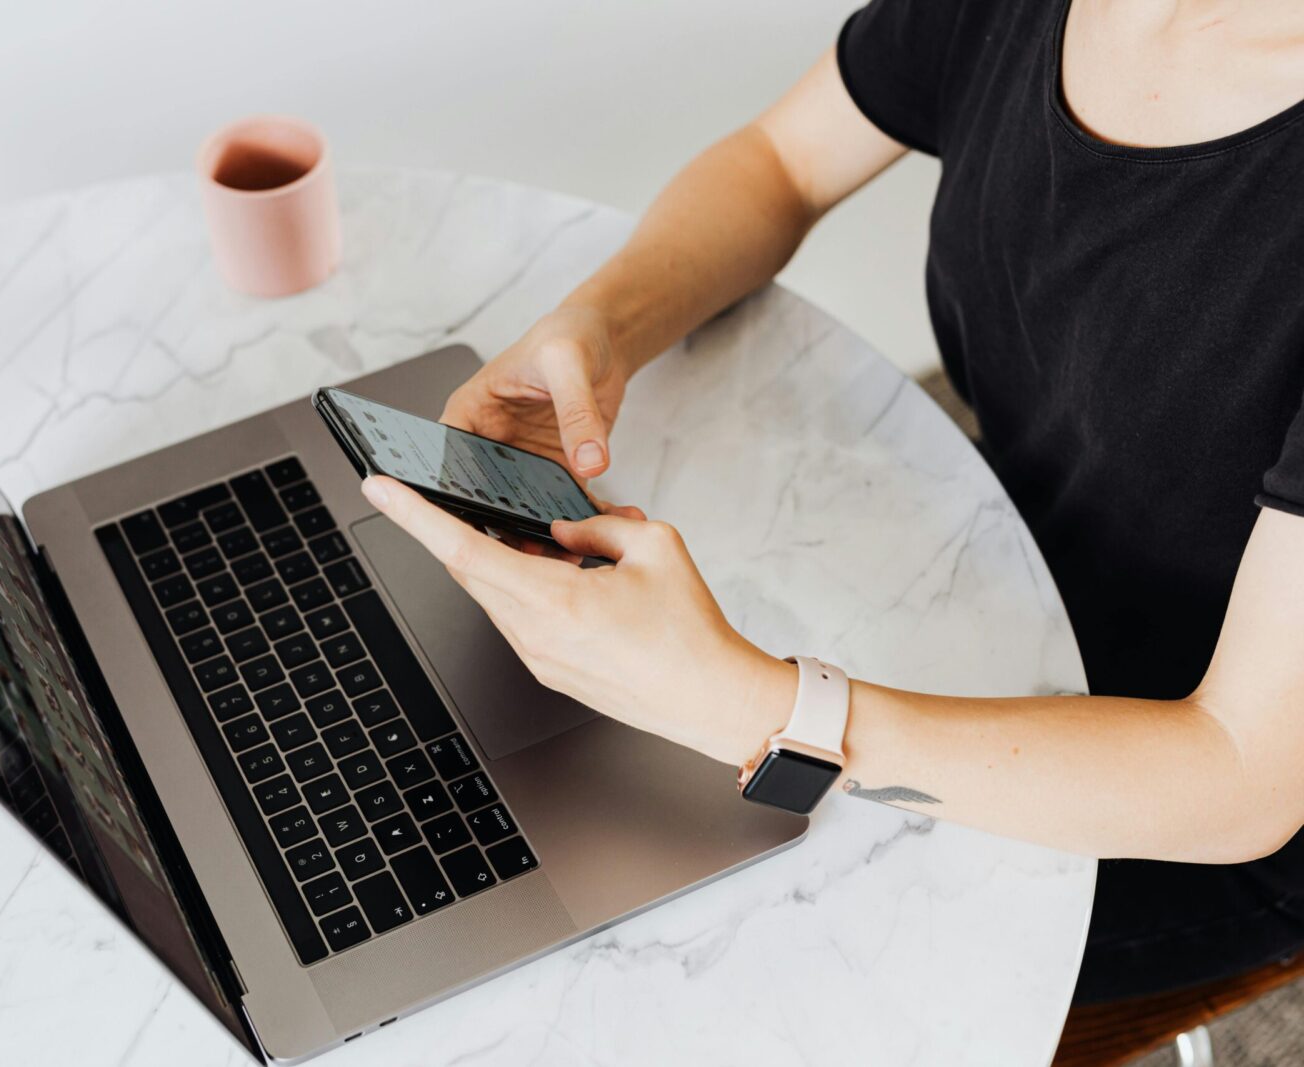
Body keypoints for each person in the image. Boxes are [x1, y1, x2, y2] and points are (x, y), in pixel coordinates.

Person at [359, 0, 1304, 1005]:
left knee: (674, 979)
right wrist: (602, 327)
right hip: (998, 570)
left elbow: (1238, 776)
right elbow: (781, 162)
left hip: (1190, 795)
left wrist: (757, 708)